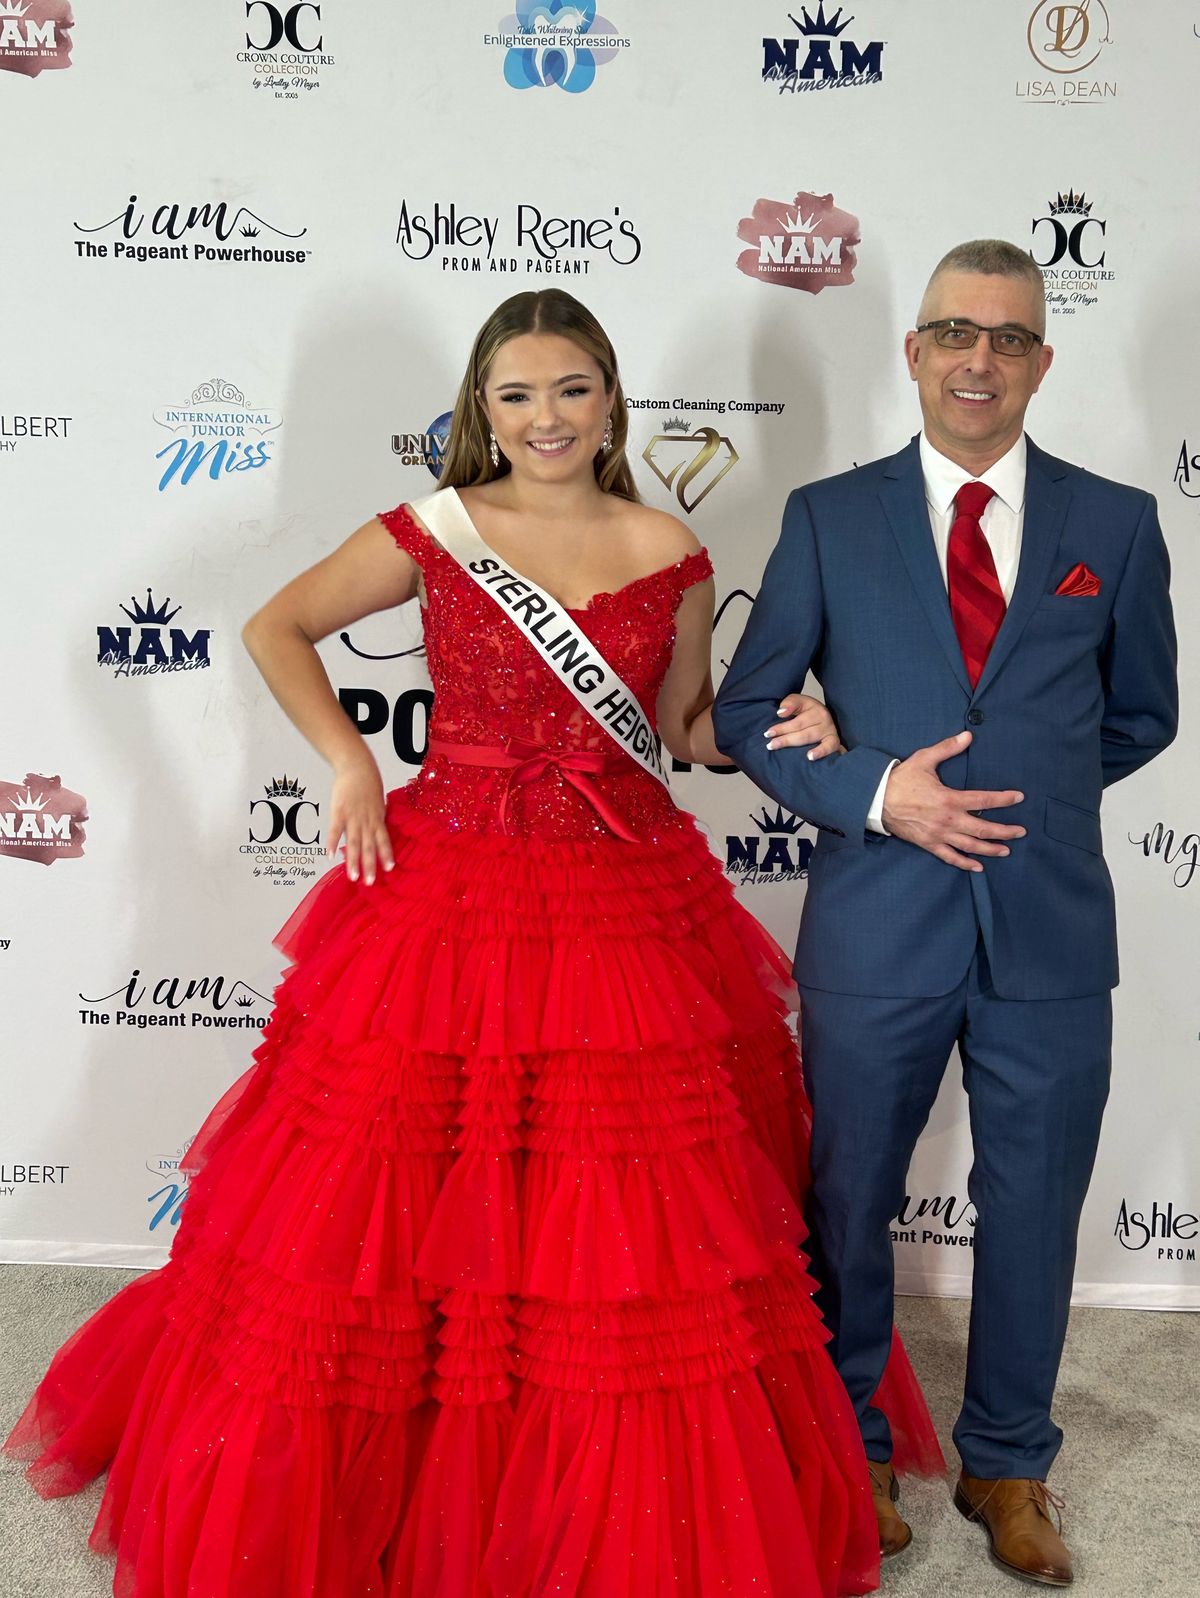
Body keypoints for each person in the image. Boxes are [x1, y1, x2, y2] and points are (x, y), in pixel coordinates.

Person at [5, 289, 939, 1598]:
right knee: (392, 1199)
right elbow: (274, 627)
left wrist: (788, 727)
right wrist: (348, 763)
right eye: (515, 393)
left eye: (569, 389)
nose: (544, 416)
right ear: (478, 409)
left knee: (616, 1214)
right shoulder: (436, 528)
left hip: (621, 891)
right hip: (452, 886)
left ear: (611, 400)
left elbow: (680, 729)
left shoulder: (669, 545)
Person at [713, 240, 1178, 1587]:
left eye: (1011, 337)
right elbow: (748, 709)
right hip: (875, 920)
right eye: (955, 332)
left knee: (1036, 1202)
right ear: (913, 352)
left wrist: (1024, 797)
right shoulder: (827, 517)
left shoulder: (1114, 523)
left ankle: (1008, 1458)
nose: (982, 358)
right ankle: (850, 1439)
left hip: (1049, 929)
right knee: (849, 1196)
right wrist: (874, 793)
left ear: (1042, 359)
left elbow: (1141, 712)